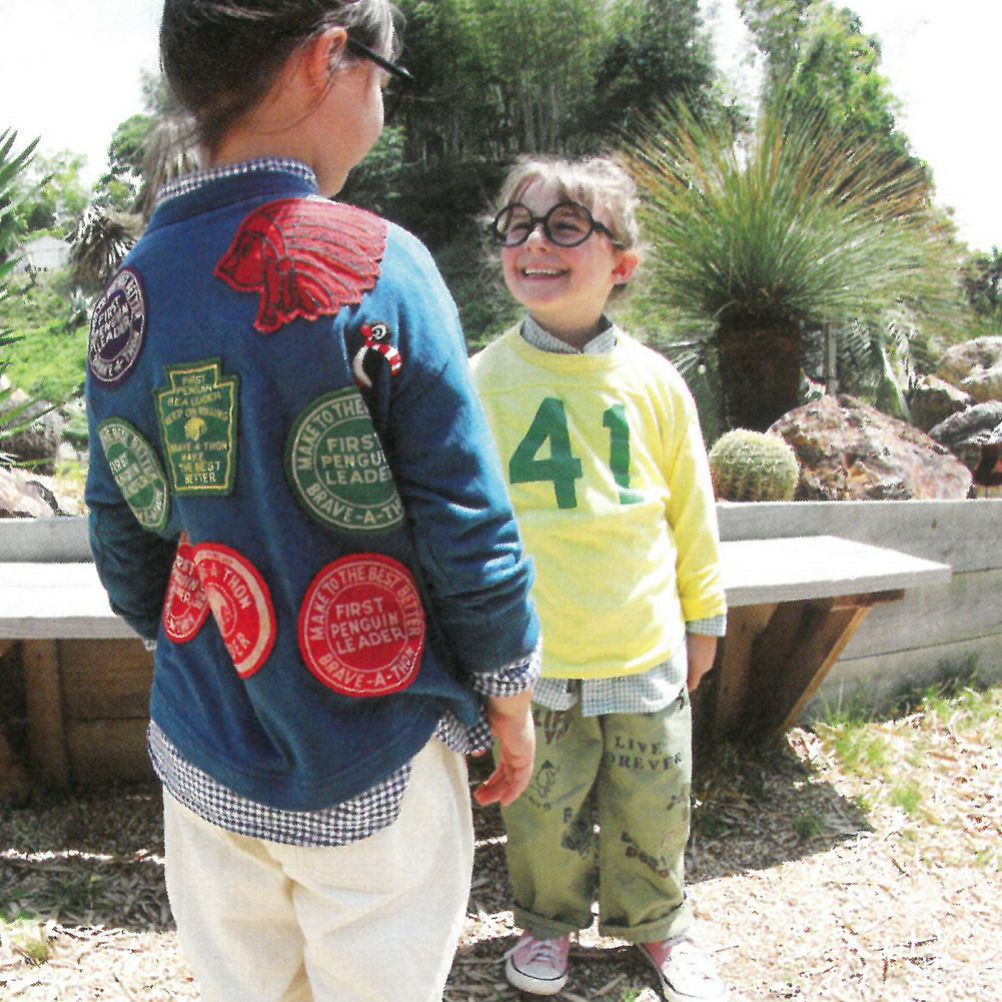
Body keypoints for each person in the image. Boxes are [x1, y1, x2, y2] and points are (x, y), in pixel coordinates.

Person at [84, 3, 540, 1000]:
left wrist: (198, 643)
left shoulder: (130, 294)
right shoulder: (379, 264)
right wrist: (508, 692)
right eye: (383, 76)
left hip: (205, 741)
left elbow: (121, 524)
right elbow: (464, 519)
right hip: (373, 747)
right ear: (330, 57)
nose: (382, 103)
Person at [470, 156, 730, 1001]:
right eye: (518, 226)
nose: (535, 243)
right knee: (540, 810)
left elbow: (691, 509)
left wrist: (705, 618)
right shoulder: (480, 379)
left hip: (643, 647)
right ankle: (545, 927)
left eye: (566, 227)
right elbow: (460, 517)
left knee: (654, 803)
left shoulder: (656, 383)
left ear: (622, 262)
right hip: (534, 659)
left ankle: (657, 926)